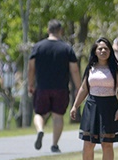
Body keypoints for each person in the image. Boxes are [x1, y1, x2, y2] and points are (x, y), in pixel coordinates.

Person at [70, 38, 118, 160]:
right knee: (88, 143)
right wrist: (75, 106)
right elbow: (83, 88)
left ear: (110, 51)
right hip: (92, 106)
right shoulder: (91, 68)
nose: (103, 51)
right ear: (95, 51)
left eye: (106, 48)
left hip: (109, 107)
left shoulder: (117, 68)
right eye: (100, 48)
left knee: (107, 144)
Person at [28, 20, 81, 153]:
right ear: (60, 31)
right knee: (58, 116)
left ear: (48, 30)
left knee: (39, 113)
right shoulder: (66, 48)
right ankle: (54, 145)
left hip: (42, 87)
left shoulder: (38, 47)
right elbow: (74, 70)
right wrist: (80, 88)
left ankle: (40, 130)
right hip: (61, 88)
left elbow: (31, 67)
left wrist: (30, 84)